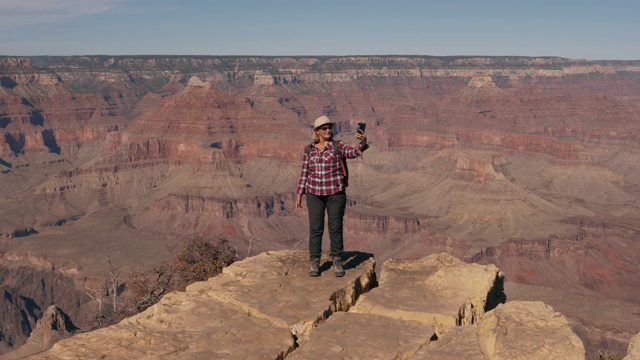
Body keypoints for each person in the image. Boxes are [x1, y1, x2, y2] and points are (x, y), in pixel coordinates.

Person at [295, 115, 368, 277]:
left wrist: (363, 142)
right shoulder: (309, 149)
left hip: (335, 193)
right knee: (316, 228)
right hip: (314, 194)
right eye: (324, 128)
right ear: (317, 132)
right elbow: (304, 172)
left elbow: (353, 152)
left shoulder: (337, 146)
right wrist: (299, 193)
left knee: (335, 228)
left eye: (329, 127)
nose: (328, 130)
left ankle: (337, 259)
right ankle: (314, 261)